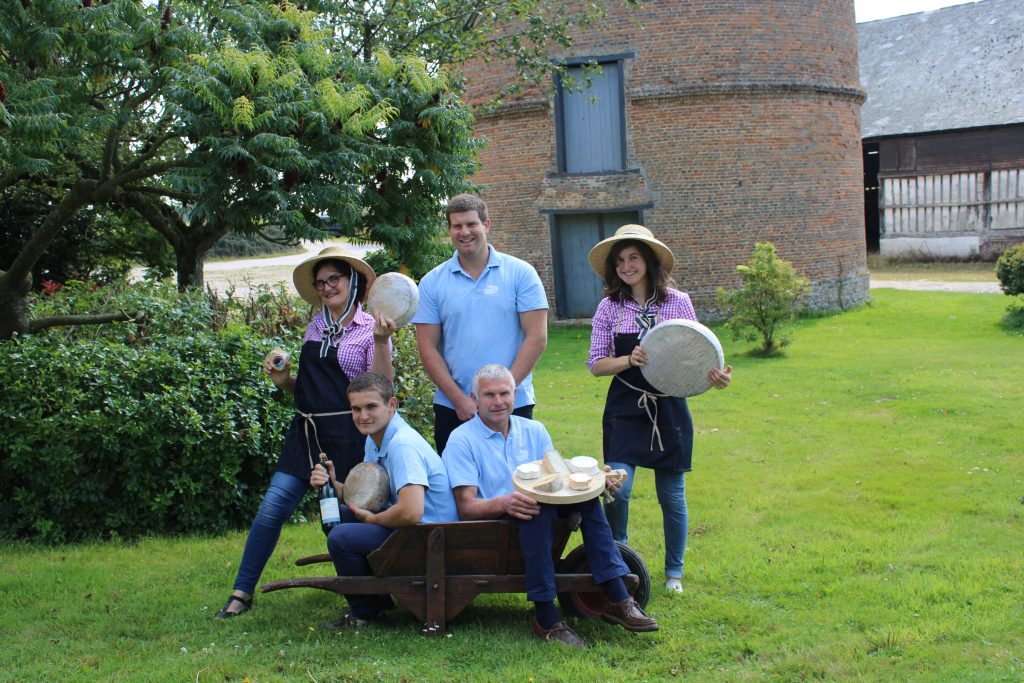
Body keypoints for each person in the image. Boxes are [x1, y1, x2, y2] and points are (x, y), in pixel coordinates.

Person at [216, 246, 398, 618]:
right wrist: (284, 380)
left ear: (353, 282)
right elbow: (308, 389)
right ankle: (241, 592)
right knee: (271, 509)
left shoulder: (371, 328)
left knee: (346, 522)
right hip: (307, 433)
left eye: (335, 279)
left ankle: (369, 601)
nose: (328, 287)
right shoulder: (315, 326)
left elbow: (381, 386)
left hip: (350, 437)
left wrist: (381, 342)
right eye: (321, 283)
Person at [443, 364, 658, 649]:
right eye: (489, 395)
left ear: (515, 393)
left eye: (504, 393)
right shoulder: (461, 440)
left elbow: (561, 482)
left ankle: (618, 599)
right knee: (538, 508)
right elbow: (466, 507)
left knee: (587, 499)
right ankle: (546, 617)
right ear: (474, 399)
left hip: (536, 514)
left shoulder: (534, 430)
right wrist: (505, 502)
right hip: (495, 524)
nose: (498, 402)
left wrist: (596, 480)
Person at [586, 224, 732, 594]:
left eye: (633, 257)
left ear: (649, 261)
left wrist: (713, 377)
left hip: (669, 408)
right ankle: (618, 556)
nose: (626, 266)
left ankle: (674, 575)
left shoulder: (678, 302)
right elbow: (596, 364)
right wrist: (628, 359)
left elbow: (695, 356)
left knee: (672, 494)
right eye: (620, 260)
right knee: (617, 488)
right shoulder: (609, 306)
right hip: (625, 406)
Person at [310, 372, 459, 628]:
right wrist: (333, 483)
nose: (363, 416)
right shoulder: (376, 437)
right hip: (412, 530)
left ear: (391, 405)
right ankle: (378, 597)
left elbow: (412, 511)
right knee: (338, 514)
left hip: (431, 536)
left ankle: (366, 612)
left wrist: (374, 519)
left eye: (371, 407)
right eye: (356, 409)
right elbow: (369, 496)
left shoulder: (402, 446)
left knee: (340, 537)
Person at [412, 193, 549, 454]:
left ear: (486, 225)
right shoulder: (432, 282)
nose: (465, 232)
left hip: (512, 403)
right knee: (456, 490)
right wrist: (459, 400)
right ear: (450, 230)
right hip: (454, 407)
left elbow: (537, 337)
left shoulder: (521, 273)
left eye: (471, 224)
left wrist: (502, 395)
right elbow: (427, 347)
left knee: (517, 484)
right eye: (457, 226)